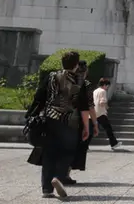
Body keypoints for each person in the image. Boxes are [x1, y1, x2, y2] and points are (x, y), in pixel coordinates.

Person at [27, 51, 91, 199]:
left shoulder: (51, 77)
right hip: (70, 122)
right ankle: (58, 177)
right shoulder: (80, 81)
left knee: (49, 153)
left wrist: (32, 114)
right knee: (67, 152)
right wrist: (86, 127)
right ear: (76, 65)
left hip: (50, 119)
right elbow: (83, 106)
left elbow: (39, 96)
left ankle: (47, 189)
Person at [67, 61, 99, 184]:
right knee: (76, 147)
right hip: (78, 120)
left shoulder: (65, 81)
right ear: (86, 72)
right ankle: (66, 173)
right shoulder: (86, 84)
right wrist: (94, 124)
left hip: (61, 117)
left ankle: (58, 173)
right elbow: (89, 106)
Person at [94, 78, 120, 149]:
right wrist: (106, 106)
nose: (108, 87)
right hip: (101, 113)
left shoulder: (95, 91)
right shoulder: (103, 91)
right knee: (108, 129)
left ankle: (84, 145)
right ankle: (114, 143)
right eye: (107, 86)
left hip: (94, 113)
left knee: (91, 130)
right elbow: (102, 102)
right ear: (105, 85)